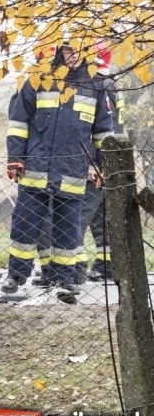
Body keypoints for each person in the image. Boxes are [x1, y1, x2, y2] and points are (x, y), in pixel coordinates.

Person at [1, 41, 114, 294]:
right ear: (59, 51)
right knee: (25, 225)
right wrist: (15, 157)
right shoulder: (38, 79)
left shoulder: (95, 84)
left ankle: (64, 280)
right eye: (68, 50)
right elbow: (19, 122)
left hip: (73, 170)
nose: (72, 55)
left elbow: (103, 132)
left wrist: (101, 165)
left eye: (78, 50)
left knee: (68, 229)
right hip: (35, 168)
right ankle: (15, 276)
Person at [31, 40, 122, 287]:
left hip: (90, 165)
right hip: (105, 163)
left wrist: (94, 164)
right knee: (102, 221)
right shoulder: (108, 83)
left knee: (74, 218)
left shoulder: (97, 84)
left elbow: (99, 129)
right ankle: (107, 268)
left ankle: (77, 270)